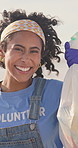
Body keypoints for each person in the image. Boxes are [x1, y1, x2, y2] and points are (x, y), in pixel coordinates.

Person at [0, 9, 63, 148]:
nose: (25, 58)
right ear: (2, 51)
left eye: (34, 51)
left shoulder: (56, 92)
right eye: (18, 49)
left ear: (40, 56)